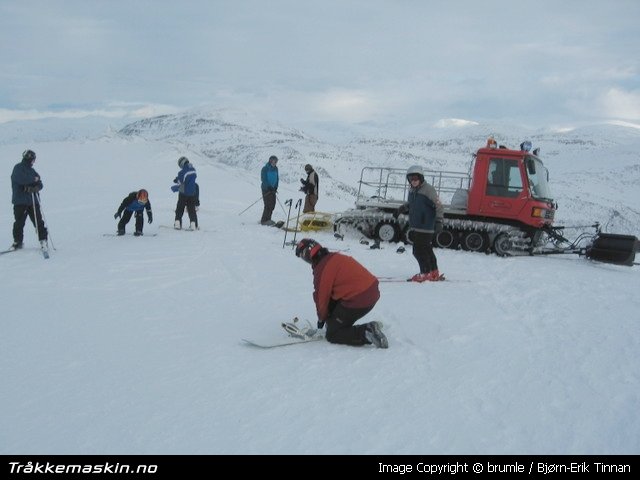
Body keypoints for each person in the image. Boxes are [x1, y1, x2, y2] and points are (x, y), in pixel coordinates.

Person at [295, 238, 388, 348]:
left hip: (359, 299)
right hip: (371, 291)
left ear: (308, 254)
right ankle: (356, 327)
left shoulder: (322, 269)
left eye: (303, 256)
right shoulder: (334, 257)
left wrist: (321, 320)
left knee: (333, 334)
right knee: (332, 316)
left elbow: (322, 299)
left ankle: (367, 332)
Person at [394, 165, 444, 282]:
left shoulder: (428, 190)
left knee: (418, 250)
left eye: (416, 178)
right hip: (418, 226)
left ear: (421, 178)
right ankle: (433, 272)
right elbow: (412, 203)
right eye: (411, 179)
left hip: (426, 226)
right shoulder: (412, 190)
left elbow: (439, 205)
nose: (414, 181)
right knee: (427, 249)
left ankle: (425, 273)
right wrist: (401, 209)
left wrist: (439, 221)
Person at [10, 149, 48, 249]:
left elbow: (39, 181)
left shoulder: (32, 170)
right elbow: (22, 179)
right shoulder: (18, 168)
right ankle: (18, 242)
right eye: (33, 159)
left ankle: (43, 240)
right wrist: (33, 180)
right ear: (30, 159)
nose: (33, 161)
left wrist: (37, 187)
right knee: (19, 223)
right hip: (20, 201)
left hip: (33, 201)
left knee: (39, 222)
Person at [171, 156, 198, 230]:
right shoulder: (193, 170)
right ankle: (193, 224)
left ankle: (177, 223)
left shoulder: (181, 172)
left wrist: (175, 186)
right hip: (192, 193)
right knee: (191, 209)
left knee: (180, 208)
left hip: (183, 193)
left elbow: (181, 183)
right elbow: (189, 179)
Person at [260, 155, 279, 225]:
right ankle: (264, 220)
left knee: (273, 204)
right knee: (268, 204)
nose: (274, 162)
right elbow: (263, 179)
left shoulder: (276, 169)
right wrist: (269, 187)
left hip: (273, 190)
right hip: (266, 189)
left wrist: (275, 187)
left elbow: (277, 179)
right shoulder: (265, 169)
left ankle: (268, 219)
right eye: (273, 161)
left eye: (276, 161)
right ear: (270, 161)